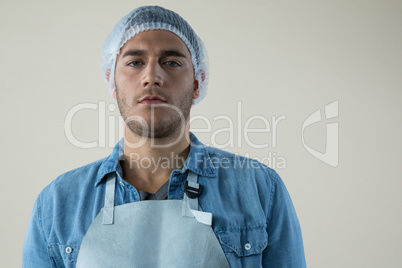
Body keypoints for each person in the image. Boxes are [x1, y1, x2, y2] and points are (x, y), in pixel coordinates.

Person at [23, 5, 306, 267]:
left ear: (197, 83)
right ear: (112, 81)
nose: (152, 76)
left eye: (171, 62)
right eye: (135, 62)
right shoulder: (57, 204)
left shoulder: (260, 191)